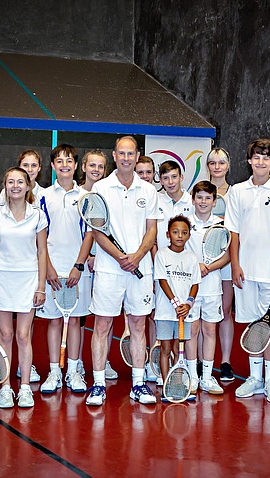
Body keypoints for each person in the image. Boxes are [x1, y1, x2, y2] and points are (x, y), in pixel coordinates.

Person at [86, 136, 162, 406]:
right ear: (114, 155)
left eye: (131, 154)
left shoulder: (148, 190)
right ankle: (97, 385)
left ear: (137, 155)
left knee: (138, 325)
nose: (127, 158)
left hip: (140, 267)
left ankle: (139, 384)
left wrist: (138, 256)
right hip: (109, 269)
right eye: (122, 153)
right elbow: (96, 229)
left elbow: (151, 229)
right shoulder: (101, 188)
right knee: (103, 325)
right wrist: (120, 257)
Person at [225, 139, 270, 403]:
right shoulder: (237, 191)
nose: (261, 162)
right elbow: (233, 231)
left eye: (266, 158)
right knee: (254, 325)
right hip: (245, 272)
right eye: (257, 157)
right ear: (249, 160)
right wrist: (235, 264)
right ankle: (255, 378)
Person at [0, 167, 48, 408]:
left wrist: (41, 286)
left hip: (28, 280)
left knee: (23, 335)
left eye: (21, 182)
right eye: (11, 182)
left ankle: (25, 388)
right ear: (5, 186)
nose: (16, 186)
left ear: (28, 186)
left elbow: (42, 252)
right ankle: (6, 387)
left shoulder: (38, 216)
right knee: (6, 335)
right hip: (1, 279)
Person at [36, 144, 92, 394]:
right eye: (59, 161)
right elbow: (40, 237)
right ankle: (54, 372)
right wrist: (48, 269)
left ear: (76, 165)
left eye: (69, 160)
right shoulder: (43, 197)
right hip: (52, 271)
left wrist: (78, 266)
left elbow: (90, 234)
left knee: (76, 322)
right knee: (54, 322)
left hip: (77, 272)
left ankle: (72, 371)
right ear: (52, 166)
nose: (65, 165)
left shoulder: (85, 198)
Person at [186, 181, 230, 395]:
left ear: (214, 202)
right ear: (193, 199)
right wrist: (196, 267)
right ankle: (192, 376)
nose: (203, 201)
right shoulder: (185, 223)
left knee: (209, 329)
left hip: (212, 286)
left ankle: (206, 376)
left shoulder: (221, 225)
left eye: (208, 198)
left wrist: (209, 267)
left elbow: (227, 256)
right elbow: (179, 251)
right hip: (190, 287)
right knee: (192, 330)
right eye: (199, 197)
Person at [77, 149, 116, 380]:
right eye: (92, 165)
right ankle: (78, 362)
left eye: (101, 166)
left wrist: (97, 257)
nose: (96, 170)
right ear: (83, 167)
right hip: (80, 265)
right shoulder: (75, 194)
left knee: (105, 317)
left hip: (104, 263)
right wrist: (83, 260)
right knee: (80, 317)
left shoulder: (109, 194)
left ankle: (105, 360)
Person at [154, 215, 201, 399]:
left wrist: (188, 304)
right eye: (175, 232)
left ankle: (178, 387)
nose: (179, 236)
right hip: (166, 312)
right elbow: (163, 280)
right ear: (168, 234)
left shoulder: (191, 258)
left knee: (177, 350)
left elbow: (195, 283)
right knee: (166, 349)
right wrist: (175, 302)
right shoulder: (161, 255)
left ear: (189, 235)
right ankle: (167, 387)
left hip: (184, 313)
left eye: (183, 232)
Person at [206, 147, 236, 382]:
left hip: (225, 261)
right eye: (213, 162)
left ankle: (225, 361)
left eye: (221, 163)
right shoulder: (199, 191)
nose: (217, 167)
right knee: (199, 312)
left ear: (228, 165)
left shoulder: (235, 193)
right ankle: (197, 361)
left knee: (224, 311)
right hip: (203, 262)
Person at [135, 155, 159, 383]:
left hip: (155, 267)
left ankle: (154, 362)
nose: (144, 176)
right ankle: (141, 363)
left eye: (148, 172)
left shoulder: (157, 198)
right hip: (135, 267)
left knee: (154, 317)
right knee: (138, 318)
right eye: (140, 172)